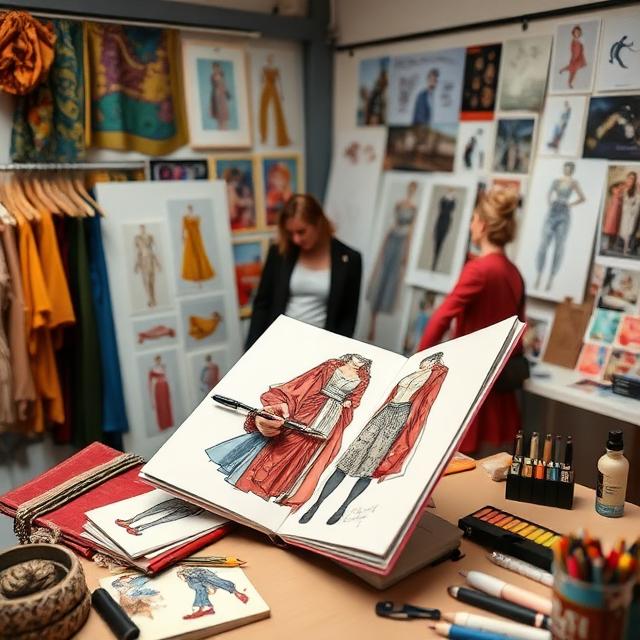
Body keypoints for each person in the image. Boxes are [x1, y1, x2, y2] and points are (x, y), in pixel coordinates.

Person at [417, 188, 525, 455]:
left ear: (483, 225)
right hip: (499, 385)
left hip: (472, 380)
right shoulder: (513, 273)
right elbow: (519, 334)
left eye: (473, 219)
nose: (469, 225)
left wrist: (418, 360)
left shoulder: (479, 270)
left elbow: (442, 316)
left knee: (457, 460)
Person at [206, 353, 371, 510]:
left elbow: (356, 399)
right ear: (350, 356)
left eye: (363, 360)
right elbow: (305, 381)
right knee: (289, 440)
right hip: (313, 405)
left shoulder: (363, 378)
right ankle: (258, 479)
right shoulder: (331, 365)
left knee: (308, 449)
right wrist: (280, 404)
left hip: (334, 414)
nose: (359, 361)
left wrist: (349, 402)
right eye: (357, 358)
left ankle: (278, 488)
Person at [298, 352, 448, 525]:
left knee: (372, 464)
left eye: (428, 360)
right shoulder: (413, 374)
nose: (424, 362)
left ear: (434, 362)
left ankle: (343, 507)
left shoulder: (434, 376)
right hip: (386, 410)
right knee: (349, 458)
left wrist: (438, 366)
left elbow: (428, 398)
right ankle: (316, 505)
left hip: (401, 414)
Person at [246, 194, 362, 348]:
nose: (296, 239)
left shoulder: (349, 259)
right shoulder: (280, 253)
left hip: (320, 346)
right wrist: (251, 349)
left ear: (319, 223)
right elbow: (262, 304)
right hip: (279, 341)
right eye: (290, 233)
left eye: (301, 232)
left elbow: (348, 317)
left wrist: (337, 353)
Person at [367, 180, 419, 341]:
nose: (411, 191)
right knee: (382, 275)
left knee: (393, 278)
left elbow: (411, 231)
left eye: (413, 189)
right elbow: (393, 224)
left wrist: (407, 252)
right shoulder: (398, 204)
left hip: (402, 242)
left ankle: (377, 327)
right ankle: (372, 325)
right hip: (392, 238)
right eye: (410, 188)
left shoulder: (414, 209)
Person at [535, 161, 585, 291]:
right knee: (543, 244)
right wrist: (549, 202)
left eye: (569, 169)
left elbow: (582, 198)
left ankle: (551, 278)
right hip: (553, 211)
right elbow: (549, 193)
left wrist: (570, 204)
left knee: (559, 246)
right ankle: (539, 275)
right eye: (565, 168)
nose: (567, 170)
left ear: (572, 170)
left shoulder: (574, 183)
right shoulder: (556, 181)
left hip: (564, 213)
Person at [178, 567, 248, 620]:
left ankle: (236, 592)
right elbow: (184, 578)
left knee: (213, 580)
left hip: (198, 571)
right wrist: (182, 574)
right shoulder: (184, 574)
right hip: (189, 575)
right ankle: (205, 607)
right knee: (199, 587)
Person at [114, 497, 203, 536]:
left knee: (161, 517)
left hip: (194, 506)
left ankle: (135, 527)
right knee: (157, 512)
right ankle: (130, 523)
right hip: (189, 502)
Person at [133, 224, 161, 307]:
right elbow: (138, 252)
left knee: (152, 281)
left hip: (150, 260)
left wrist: (158, 263)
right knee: (146, 281)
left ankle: (153, 299)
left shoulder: (150, 237)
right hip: (143, 261)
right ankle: (150, 300)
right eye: (140, 228)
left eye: (143, 228)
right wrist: (136, 265)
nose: (142, 229)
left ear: (145, 228)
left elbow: (153, 251)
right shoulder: (137, 238)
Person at [210, 62, 231, 130]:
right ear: (213, 69)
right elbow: (214, 85)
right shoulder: (213, 76)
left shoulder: (221, 74)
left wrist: (227, 93)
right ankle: (220, 125)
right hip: (217, 94)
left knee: (224, 108)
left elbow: (224, 84)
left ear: (219, 68)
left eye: (217, 68)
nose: (216, 69)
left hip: (222, 94)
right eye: (214, 68)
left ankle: (224, 126)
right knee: (218, 110)